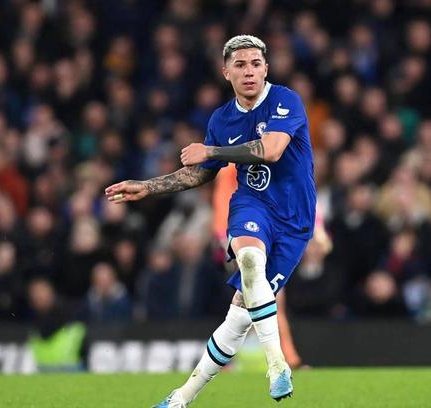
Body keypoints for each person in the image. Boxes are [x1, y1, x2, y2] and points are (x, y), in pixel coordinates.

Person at [105, 35, 315, 406]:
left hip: (295, 219)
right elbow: (201, 173)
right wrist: (148, 187)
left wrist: (211, 150)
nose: (249, 71)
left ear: (266, 69)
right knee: (249, 259)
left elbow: (271, 149)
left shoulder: (285, 100)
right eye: (240, 65)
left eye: (255, 64)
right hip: (252, 203)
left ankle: (180, 397)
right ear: (226, 72)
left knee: (240, 315)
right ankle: (277, 364)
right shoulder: (222, 119)